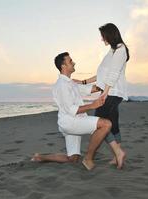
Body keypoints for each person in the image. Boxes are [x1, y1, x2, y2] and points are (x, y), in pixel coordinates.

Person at [32, 52, 112, 170]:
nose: (73, 63)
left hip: (73, 121)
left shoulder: (70, 83)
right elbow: (71, 110)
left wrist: (106, 81)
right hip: (70, 122)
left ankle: (40, 157)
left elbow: (92, 89)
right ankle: (88, 158)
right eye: (70, 61)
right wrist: (92, 105)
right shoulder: (61, 85)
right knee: (106, 124)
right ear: (63, 66)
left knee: (73, 159)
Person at [73, 23, 129, 169]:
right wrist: (83, 81)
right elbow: (101, 75)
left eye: (102, 35)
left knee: (99, 122)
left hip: (112, 92)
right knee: (113, 123)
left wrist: (104, 93)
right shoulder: (112, 51)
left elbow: (113, 73)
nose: (101, 39)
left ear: (109, 35)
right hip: (111, 91)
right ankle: (117, 156)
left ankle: (118, 153)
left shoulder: (120, 50)